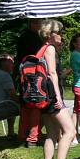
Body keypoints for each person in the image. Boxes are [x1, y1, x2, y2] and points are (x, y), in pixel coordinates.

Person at [37, 20, 76, 159]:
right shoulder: (50, 49)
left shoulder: (41, 49)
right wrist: (59, 98)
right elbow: (52, 73)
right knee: (70, 131)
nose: (62, 36)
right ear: (51, 34)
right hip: (52, 97)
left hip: (42, 97)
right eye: (59, 32)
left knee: (51, 134)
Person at [16, 18, 45, 147]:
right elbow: (36, 56)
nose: (39, 25)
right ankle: (32, 137)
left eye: (39, 22)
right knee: (34, 106)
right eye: (37, 22)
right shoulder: (31, 38)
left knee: (26, 106)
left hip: (24, 74)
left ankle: (23, 136)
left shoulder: (25, 36)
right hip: (32, 75)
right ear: (31, 23)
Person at [0, 53, 19, 137]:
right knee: (26, 107)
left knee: (11, 104)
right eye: (11, 62)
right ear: (3, 63)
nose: (13, 64)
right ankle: (28, 134)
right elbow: (13, 96)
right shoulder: (5, 76)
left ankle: (11, 132)